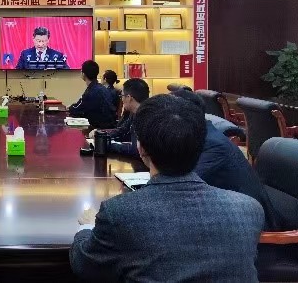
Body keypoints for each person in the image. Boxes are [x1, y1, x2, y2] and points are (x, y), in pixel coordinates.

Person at [70, 94, 265, 282]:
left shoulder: (119, 213)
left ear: (141, 149)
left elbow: (84, 265)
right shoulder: (249, 208)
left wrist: (87, 226)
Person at [171, 89, 280, 230]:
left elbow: (179, 186)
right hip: (223, 213)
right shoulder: (201, 135)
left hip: (246, 226)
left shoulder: (213, 145)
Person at [105, 78, 150, 157]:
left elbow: (136, 150)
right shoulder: (134, 112)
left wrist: (109, 145)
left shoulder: (145, 116)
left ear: (129, 98)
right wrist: (101, 135)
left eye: (122, 96)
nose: (122, 99)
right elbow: (122, 130)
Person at [68, 60, 116, 129]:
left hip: (98, 129)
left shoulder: (91, 91)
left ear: (83, 74)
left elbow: (76, 109)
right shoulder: (102, 88)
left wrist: (70, 107)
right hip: (109, 127)